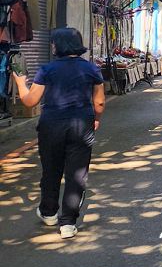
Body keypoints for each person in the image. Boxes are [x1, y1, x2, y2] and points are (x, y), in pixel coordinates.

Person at [12, 28, 105, 239]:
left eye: (53, 43)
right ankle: (68, 224)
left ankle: (49, 212)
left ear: (58, 45)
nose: (51, 46)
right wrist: (96, 119)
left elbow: (30, 101)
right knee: (77, 174)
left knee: (51, 170)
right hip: (82, 125)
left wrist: (20, 83)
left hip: (51, 125)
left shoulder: (48, 69)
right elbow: (98, 102)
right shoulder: (91, 69)